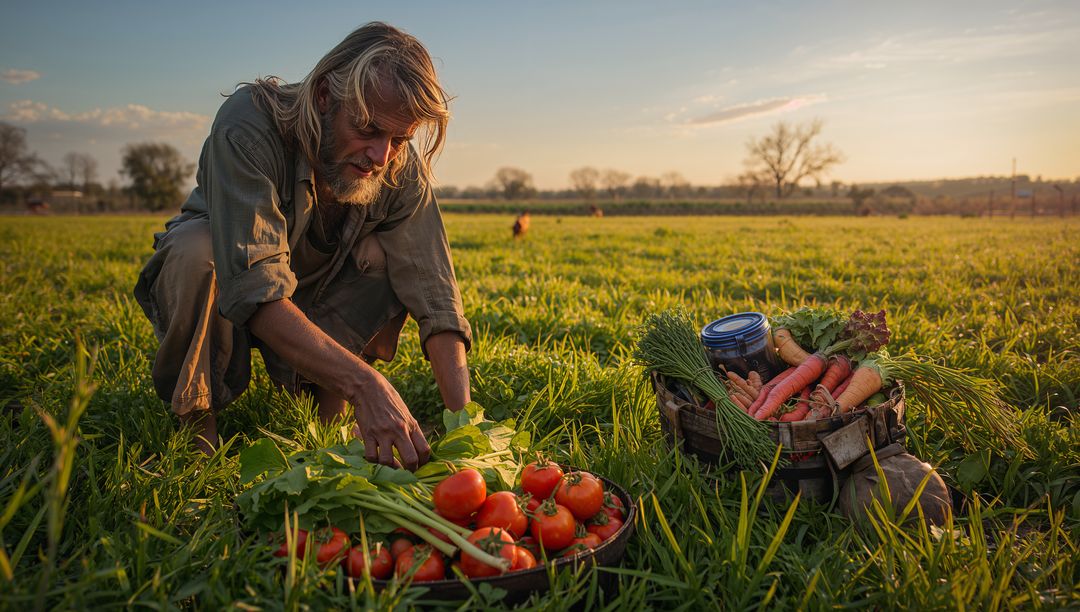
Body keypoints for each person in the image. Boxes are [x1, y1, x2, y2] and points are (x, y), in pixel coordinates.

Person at [134, 22, 471, 471]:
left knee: (387, 256)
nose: (381, 155)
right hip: (231, 281)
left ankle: (325, 413)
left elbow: (435, 291)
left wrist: (466, 430)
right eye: (367, 128)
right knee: (198, 252)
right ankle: (198, 431)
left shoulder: (394, 162)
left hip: (313, 289)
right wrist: (367, 386)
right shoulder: (249, 124)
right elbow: (255, 288)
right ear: (324, 96)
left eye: (399, 139)